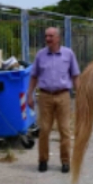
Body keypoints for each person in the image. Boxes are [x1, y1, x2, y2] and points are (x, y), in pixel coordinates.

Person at [26, 27, 80, 173]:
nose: (48, 39)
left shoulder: (68, 54)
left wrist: (79, 94)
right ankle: (43, 160)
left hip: (63, 96)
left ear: (58, 38)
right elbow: (33, 76)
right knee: (44, 130)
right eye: (46, 36)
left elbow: (75, 76)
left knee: (65, 130)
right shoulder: (40, 55)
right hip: (45, 97)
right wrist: (29, 95)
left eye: (51, 36)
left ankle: (65, 162)